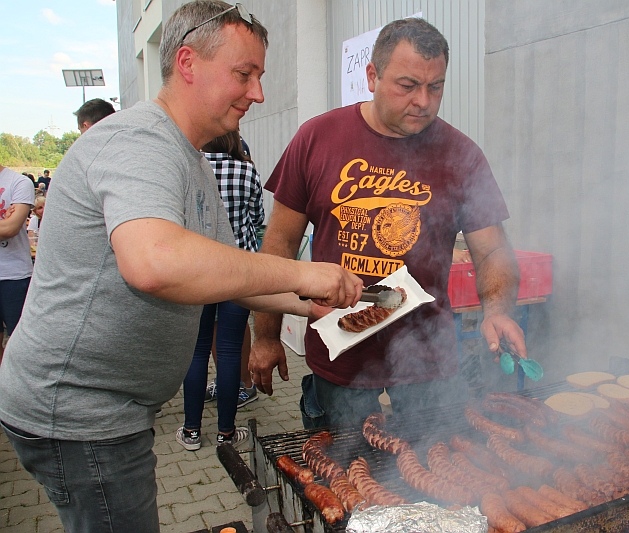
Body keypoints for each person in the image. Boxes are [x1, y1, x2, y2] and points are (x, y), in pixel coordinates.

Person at [0, 2, 362, 532]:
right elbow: (154, 262)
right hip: (78, 414)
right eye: (245, 74)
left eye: (260, 77)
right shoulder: (139, 140)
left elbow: (236, 279)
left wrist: (326, 302)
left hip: (113, 411)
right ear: (188, 63)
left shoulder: (191, 159)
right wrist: (304, 274)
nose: (257, 94)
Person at [250, 17, 524, 429]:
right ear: (372, 76)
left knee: (437, 466)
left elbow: (493, 250)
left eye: (436, 86)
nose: (424, 102)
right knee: (343, 472)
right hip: (339, 347)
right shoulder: (317, 138)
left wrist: (498, 309)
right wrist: (267, 336)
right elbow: (280, 244)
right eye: (408, 85)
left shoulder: (461, 154)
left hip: (428, 357)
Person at [178, 130, 264, 450]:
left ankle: (191, 431)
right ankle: (226, 433)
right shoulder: (246, 170)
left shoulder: (190, 167)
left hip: (197, 272)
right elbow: (257, 219)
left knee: (197, 351)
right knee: (229, 352)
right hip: (237, 271)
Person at [0, 164, 35, 364]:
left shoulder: (19, 182)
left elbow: (11, 228)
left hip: (14, 276)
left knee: (20, 343)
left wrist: (8, 224)